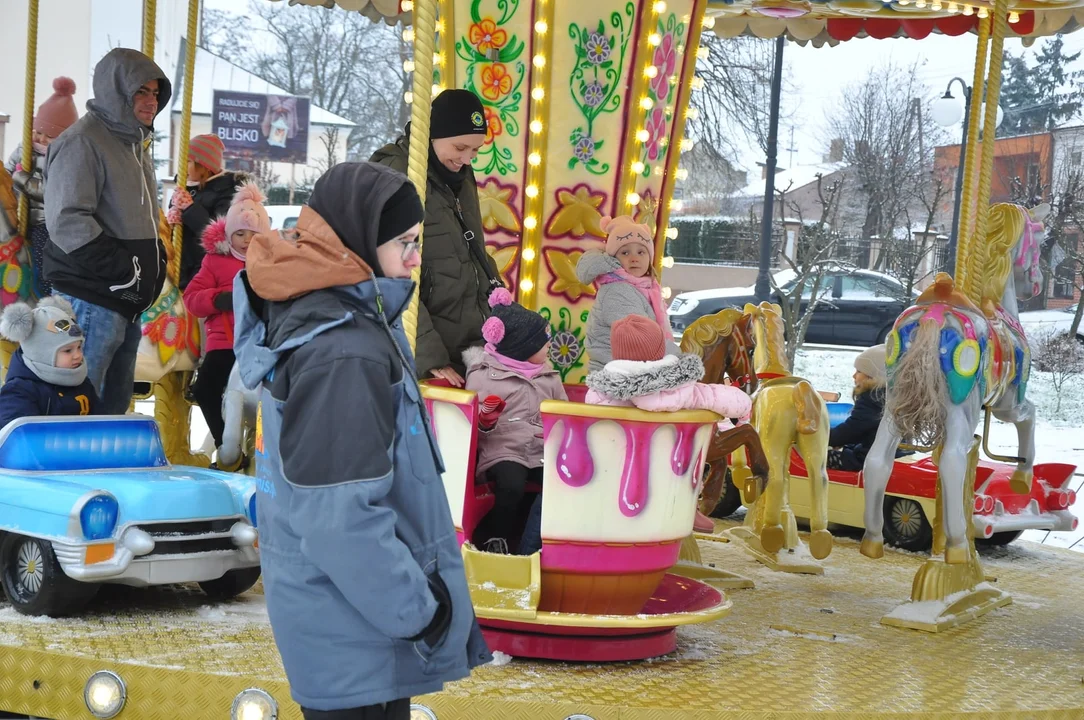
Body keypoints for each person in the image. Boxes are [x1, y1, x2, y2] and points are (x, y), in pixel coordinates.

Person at [233, 161, 490, 719]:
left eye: (418, 241)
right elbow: (339, 516)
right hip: (355, 627)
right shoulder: (343, 352)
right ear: (357, 240)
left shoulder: (347, 317)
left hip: (348, 621)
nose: (416, 258)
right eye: (405, 242)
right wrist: (419, 611)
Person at [43, 48, 170, 415]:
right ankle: (70, 472)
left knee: (110, 408)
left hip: (122, 300)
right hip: (91, 295)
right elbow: (67, 219)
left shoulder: (132, 145)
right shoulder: (83, 141)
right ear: (118, 93)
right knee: (81, 404)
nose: (152, 101)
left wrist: (151, 263)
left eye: (155, 93)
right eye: (141, 92)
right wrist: (123, 269)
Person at [371, 88, 500, 387]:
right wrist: (427, 355)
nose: (467, 159)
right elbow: (387, 277)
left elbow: (472, 251)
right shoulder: (396, 174)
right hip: (422, 353)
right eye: (460, 147)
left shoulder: (457, 175)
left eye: (475, 150)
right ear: (431, 134)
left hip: (465, 344)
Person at [463, 288, 567, 555]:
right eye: (543, 344)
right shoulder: (484, 376)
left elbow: (562, 413)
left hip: (540, 448)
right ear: (522, 349)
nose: (549, 348)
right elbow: (475, 428)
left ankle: (536, 541)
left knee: (560, 482)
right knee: (511, 484)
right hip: (503, 448)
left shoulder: (549, 375)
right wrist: (486, 419)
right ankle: (496, 536)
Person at [182, 183, 268, 456]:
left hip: (260, 344)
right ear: (229, 235)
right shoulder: (215, 262)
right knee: (206, 387)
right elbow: (192, 298)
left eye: (253, 235)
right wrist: (220, 298)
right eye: (240, 233)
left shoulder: (271, 265)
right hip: (225, 342)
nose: (246, 240)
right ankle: (223, 443)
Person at [4, 76, 80, 298]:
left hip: (46, 221)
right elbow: (9, 172)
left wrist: (22, 179)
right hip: (19, 214)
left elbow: (51, 192)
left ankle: (46, 296)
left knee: (40, 255)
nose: (42, 139)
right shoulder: (24, 148)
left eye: (50, 135)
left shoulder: (64, 159)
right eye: (39, 132)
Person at [577, 215, 679, 372]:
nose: (634, 258)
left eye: (641, 252)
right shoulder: (618, 291)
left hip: (629, 370)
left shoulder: (645, 288)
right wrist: (681, 359)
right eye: (625, 253)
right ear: (614, 259)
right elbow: (642, 336)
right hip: (618, 376)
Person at [167, 134, 253, 289]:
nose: (182, 167)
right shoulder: (185, 188)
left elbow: (219, 236)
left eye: (188, 162)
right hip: (182, 268)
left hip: (204, 271)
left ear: (203, 166)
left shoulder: (228, 192)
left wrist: (190, 209)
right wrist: (171, 221)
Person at [0, 296, 98, 429]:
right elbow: (23, 439)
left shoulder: (83, 382)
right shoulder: (19, 392)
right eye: (68, 351)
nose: (78, 355)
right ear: (41, 353)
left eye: (79, 347)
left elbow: (100, 422)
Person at [827, 344, 887, 471]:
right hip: (888, 456)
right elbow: (865, 432)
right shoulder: (890, 396)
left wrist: (822, 436)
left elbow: (851, 431)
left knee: (814, 457)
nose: (854, 376)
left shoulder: (871, 398)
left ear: (873, 376)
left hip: (864, 461)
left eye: (859, 371)